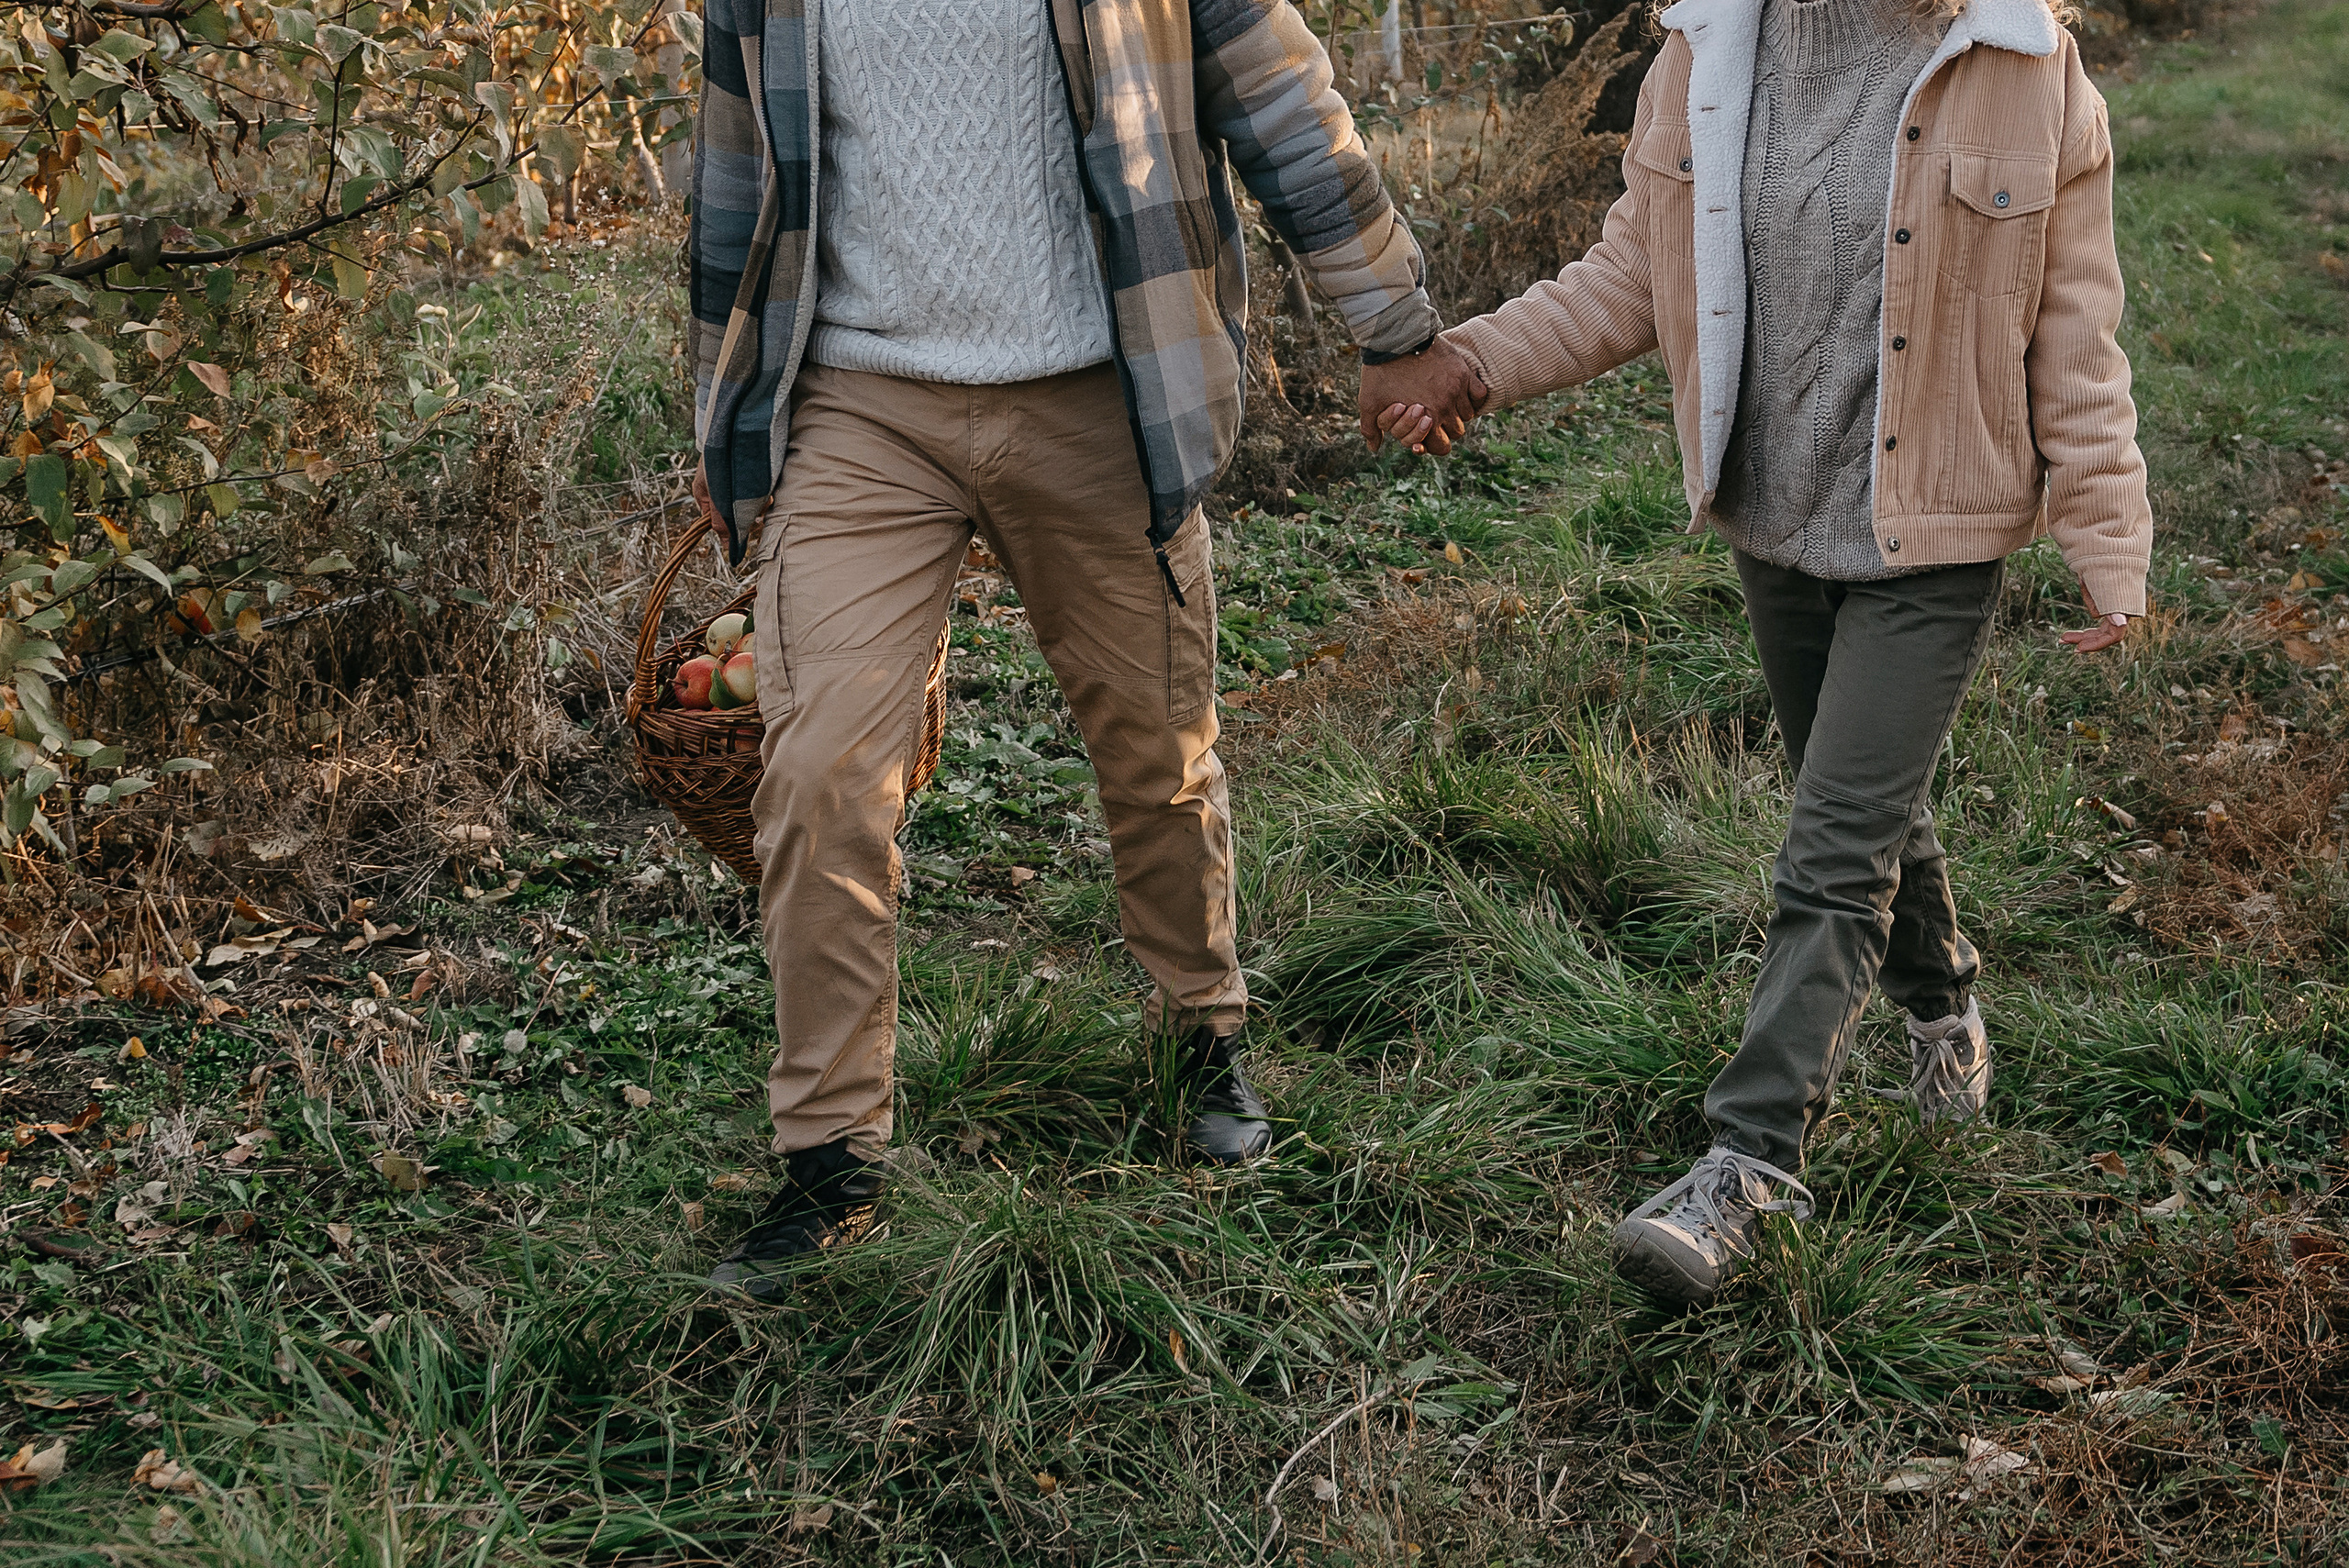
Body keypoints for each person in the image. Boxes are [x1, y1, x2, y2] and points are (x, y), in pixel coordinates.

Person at [686, 0, 1486, 1299]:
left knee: (1157, 750)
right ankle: (829, 1155)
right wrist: (722, 414)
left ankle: (1202, 1032)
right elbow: (738, 178)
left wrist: (1394, 326)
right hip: (862, 401)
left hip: (1102, 388)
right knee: (823, 772)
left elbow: (1280, 102)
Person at [1375, 0, 2150, 1307]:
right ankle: (1943, 999)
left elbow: (2076, 333)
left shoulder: (2030, 68)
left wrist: (2107, 535)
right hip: (1776, 513)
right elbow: (1636, 271)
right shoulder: (1712, 46)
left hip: (1938, 529)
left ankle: (1749, 1162)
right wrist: (1472, 365)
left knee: (1830, 853)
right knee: (1856, 805)